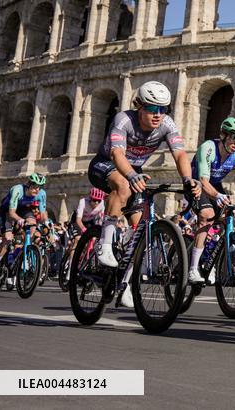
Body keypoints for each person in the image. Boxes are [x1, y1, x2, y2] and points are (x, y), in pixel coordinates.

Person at [88, 81, 197, 308]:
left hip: (134, 171)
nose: (158, 115)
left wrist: (188, 179)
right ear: (140, 106)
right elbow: (117, 154)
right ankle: (104, 244)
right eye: (152, 109)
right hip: (106, 164)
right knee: (123, 186)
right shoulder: (124, 120)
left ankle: (125, 284)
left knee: (141, 230)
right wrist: (130, 175)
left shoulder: (167, 124)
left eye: (163, 109)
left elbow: (180, 154)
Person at [187, 116, 235, 283]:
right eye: (234, 137)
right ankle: (193, 269)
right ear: (223, 135)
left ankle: (211, 259)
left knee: (229, 219)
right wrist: (218, 195)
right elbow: (203, 181)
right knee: (206, 215)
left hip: (214, 185)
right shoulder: (208, 148)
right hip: (197, 184)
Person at [0, 173, 47, 285]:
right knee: (8, 238)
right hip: (7, 210)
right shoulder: (17, 190)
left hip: (24, 209)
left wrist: (47, 223)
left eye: (40, 187)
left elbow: (43, 215)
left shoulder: (41, 194)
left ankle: (24, 254)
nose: (37, 190)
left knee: (32, 226)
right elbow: (11, 213)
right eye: (35, 186)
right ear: (28, 184)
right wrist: (19, 220)